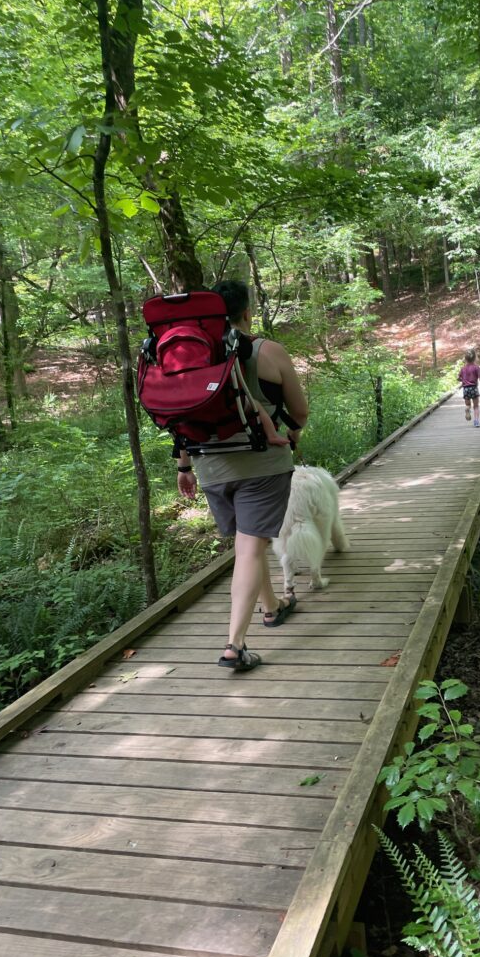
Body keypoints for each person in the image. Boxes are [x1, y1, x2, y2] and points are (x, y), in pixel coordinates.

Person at [176, 279, 309, 672]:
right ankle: (234, 645)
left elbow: (181, 418)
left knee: (250, 541)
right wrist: (291, 434)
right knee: (250, 548)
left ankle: (272, 607)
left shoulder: (192, 359)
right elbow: (298, 412)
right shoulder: (268, 350)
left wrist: (183, 466)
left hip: (210, 467)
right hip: (261, 465)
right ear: (246, 312)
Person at [458, 348, 480, 427]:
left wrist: (463, 379)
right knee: (476, 406)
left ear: (465, 358)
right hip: (474, 388)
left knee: (468, 404)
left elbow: (459, 378)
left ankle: (467, 409)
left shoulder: (463, 369)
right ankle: (476, 421)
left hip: (466, 389)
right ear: (475, 357)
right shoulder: (477, 368)